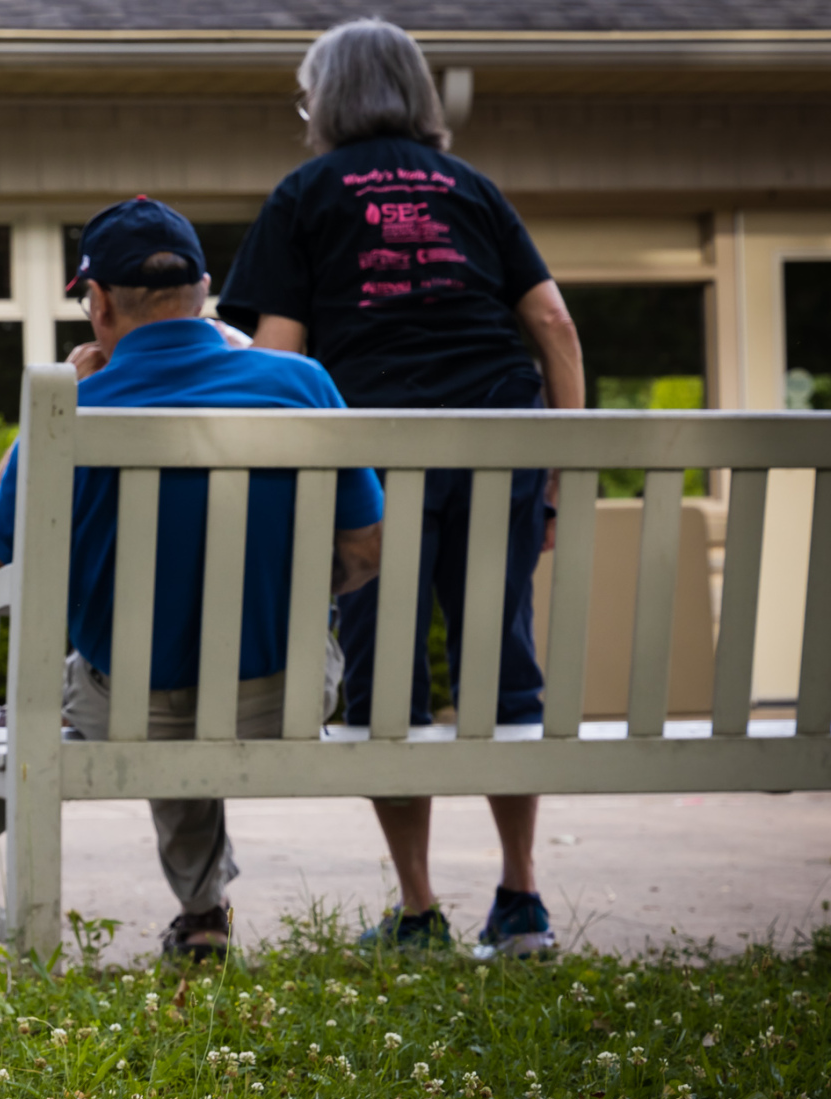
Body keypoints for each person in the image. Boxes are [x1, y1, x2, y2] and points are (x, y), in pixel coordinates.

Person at [218, 17, 586, 959]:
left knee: (386, 680)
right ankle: (521, 899)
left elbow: (280, 360)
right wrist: (558, 464)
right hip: (499, 443)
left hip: (374, 467)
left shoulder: (304, 193)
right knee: (500, 664)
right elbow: (554, 324)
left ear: (327, 100)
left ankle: (419, 910)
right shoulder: (471, 188)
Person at [0, 197, 385, 960]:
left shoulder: (78, 407)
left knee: (137, 674)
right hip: (287, 696)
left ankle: (200, 912)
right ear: (204, 291)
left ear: (98, 304)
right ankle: (200, 917)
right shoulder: (301, 384)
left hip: (130, 708)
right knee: (184, 664)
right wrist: (285, 591)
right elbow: (366, 550)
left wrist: (49, 402)